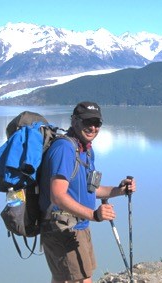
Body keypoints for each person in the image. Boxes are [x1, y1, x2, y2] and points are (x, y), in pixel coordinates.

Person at [38, 101, 136, 283]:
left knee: (72, 277)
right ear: (74, 121)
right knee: (80, 279)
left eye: (97, 123)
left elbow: (90, 189)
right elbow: (57, 195)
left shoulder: (86, 151)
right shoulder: (64, 149)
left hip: (77, 226)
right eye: (87, 122)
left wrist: (119, 190)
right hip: (63, 229)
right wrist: (93, 214)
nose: (92, 127)